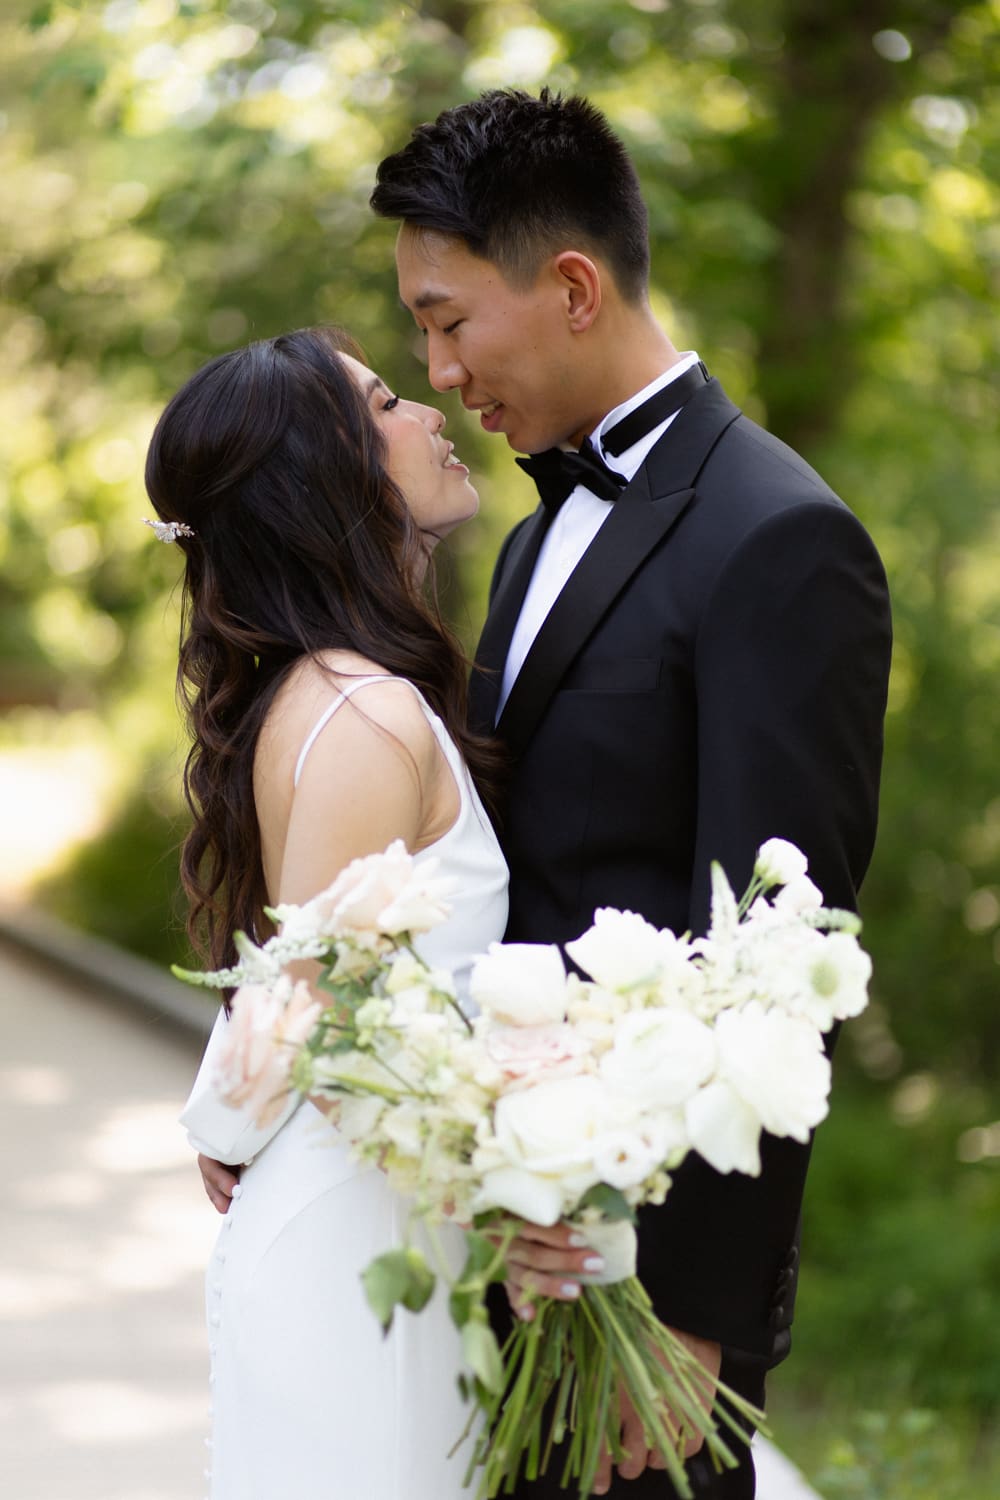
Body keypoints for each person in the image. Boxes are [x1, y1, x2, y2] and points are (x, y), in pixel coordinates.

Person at [367, 88, 893, 1498]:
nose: (438, 365)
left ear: (574, 286)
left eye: (448, 317)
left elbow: (779, 962)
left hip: (647, 1301)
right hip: (511, 1247)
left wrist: (700, 1323)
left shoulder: (780, 540)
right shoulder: (537, 544)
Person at [156, 326, 595, 1500]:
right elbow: (303, 994)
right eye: (390, 401)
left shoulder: (335, 688)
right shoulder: (361, 712)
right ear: (326, 475)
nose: (431, 411)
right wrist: (222, 1124)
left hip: (388, 1221)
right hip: (352, 1241)